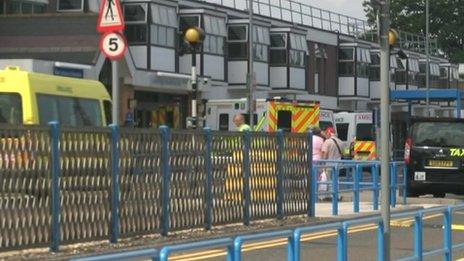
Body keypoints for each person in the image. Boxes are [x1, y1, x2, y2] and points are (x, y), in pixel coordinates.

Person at [320, 126, 344, 201]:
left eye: (326, 133)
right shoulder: (341, 141)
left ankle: (331, 196)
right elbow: (343, 153)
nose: (326, 135)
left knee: (329, 180)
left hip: (329, 164)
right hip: (338, 164)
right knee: (336, 180)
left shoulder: (327, 142)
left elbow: (324, 154)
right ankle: (337, 195)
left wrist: (321, 163)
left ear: (329, 133)